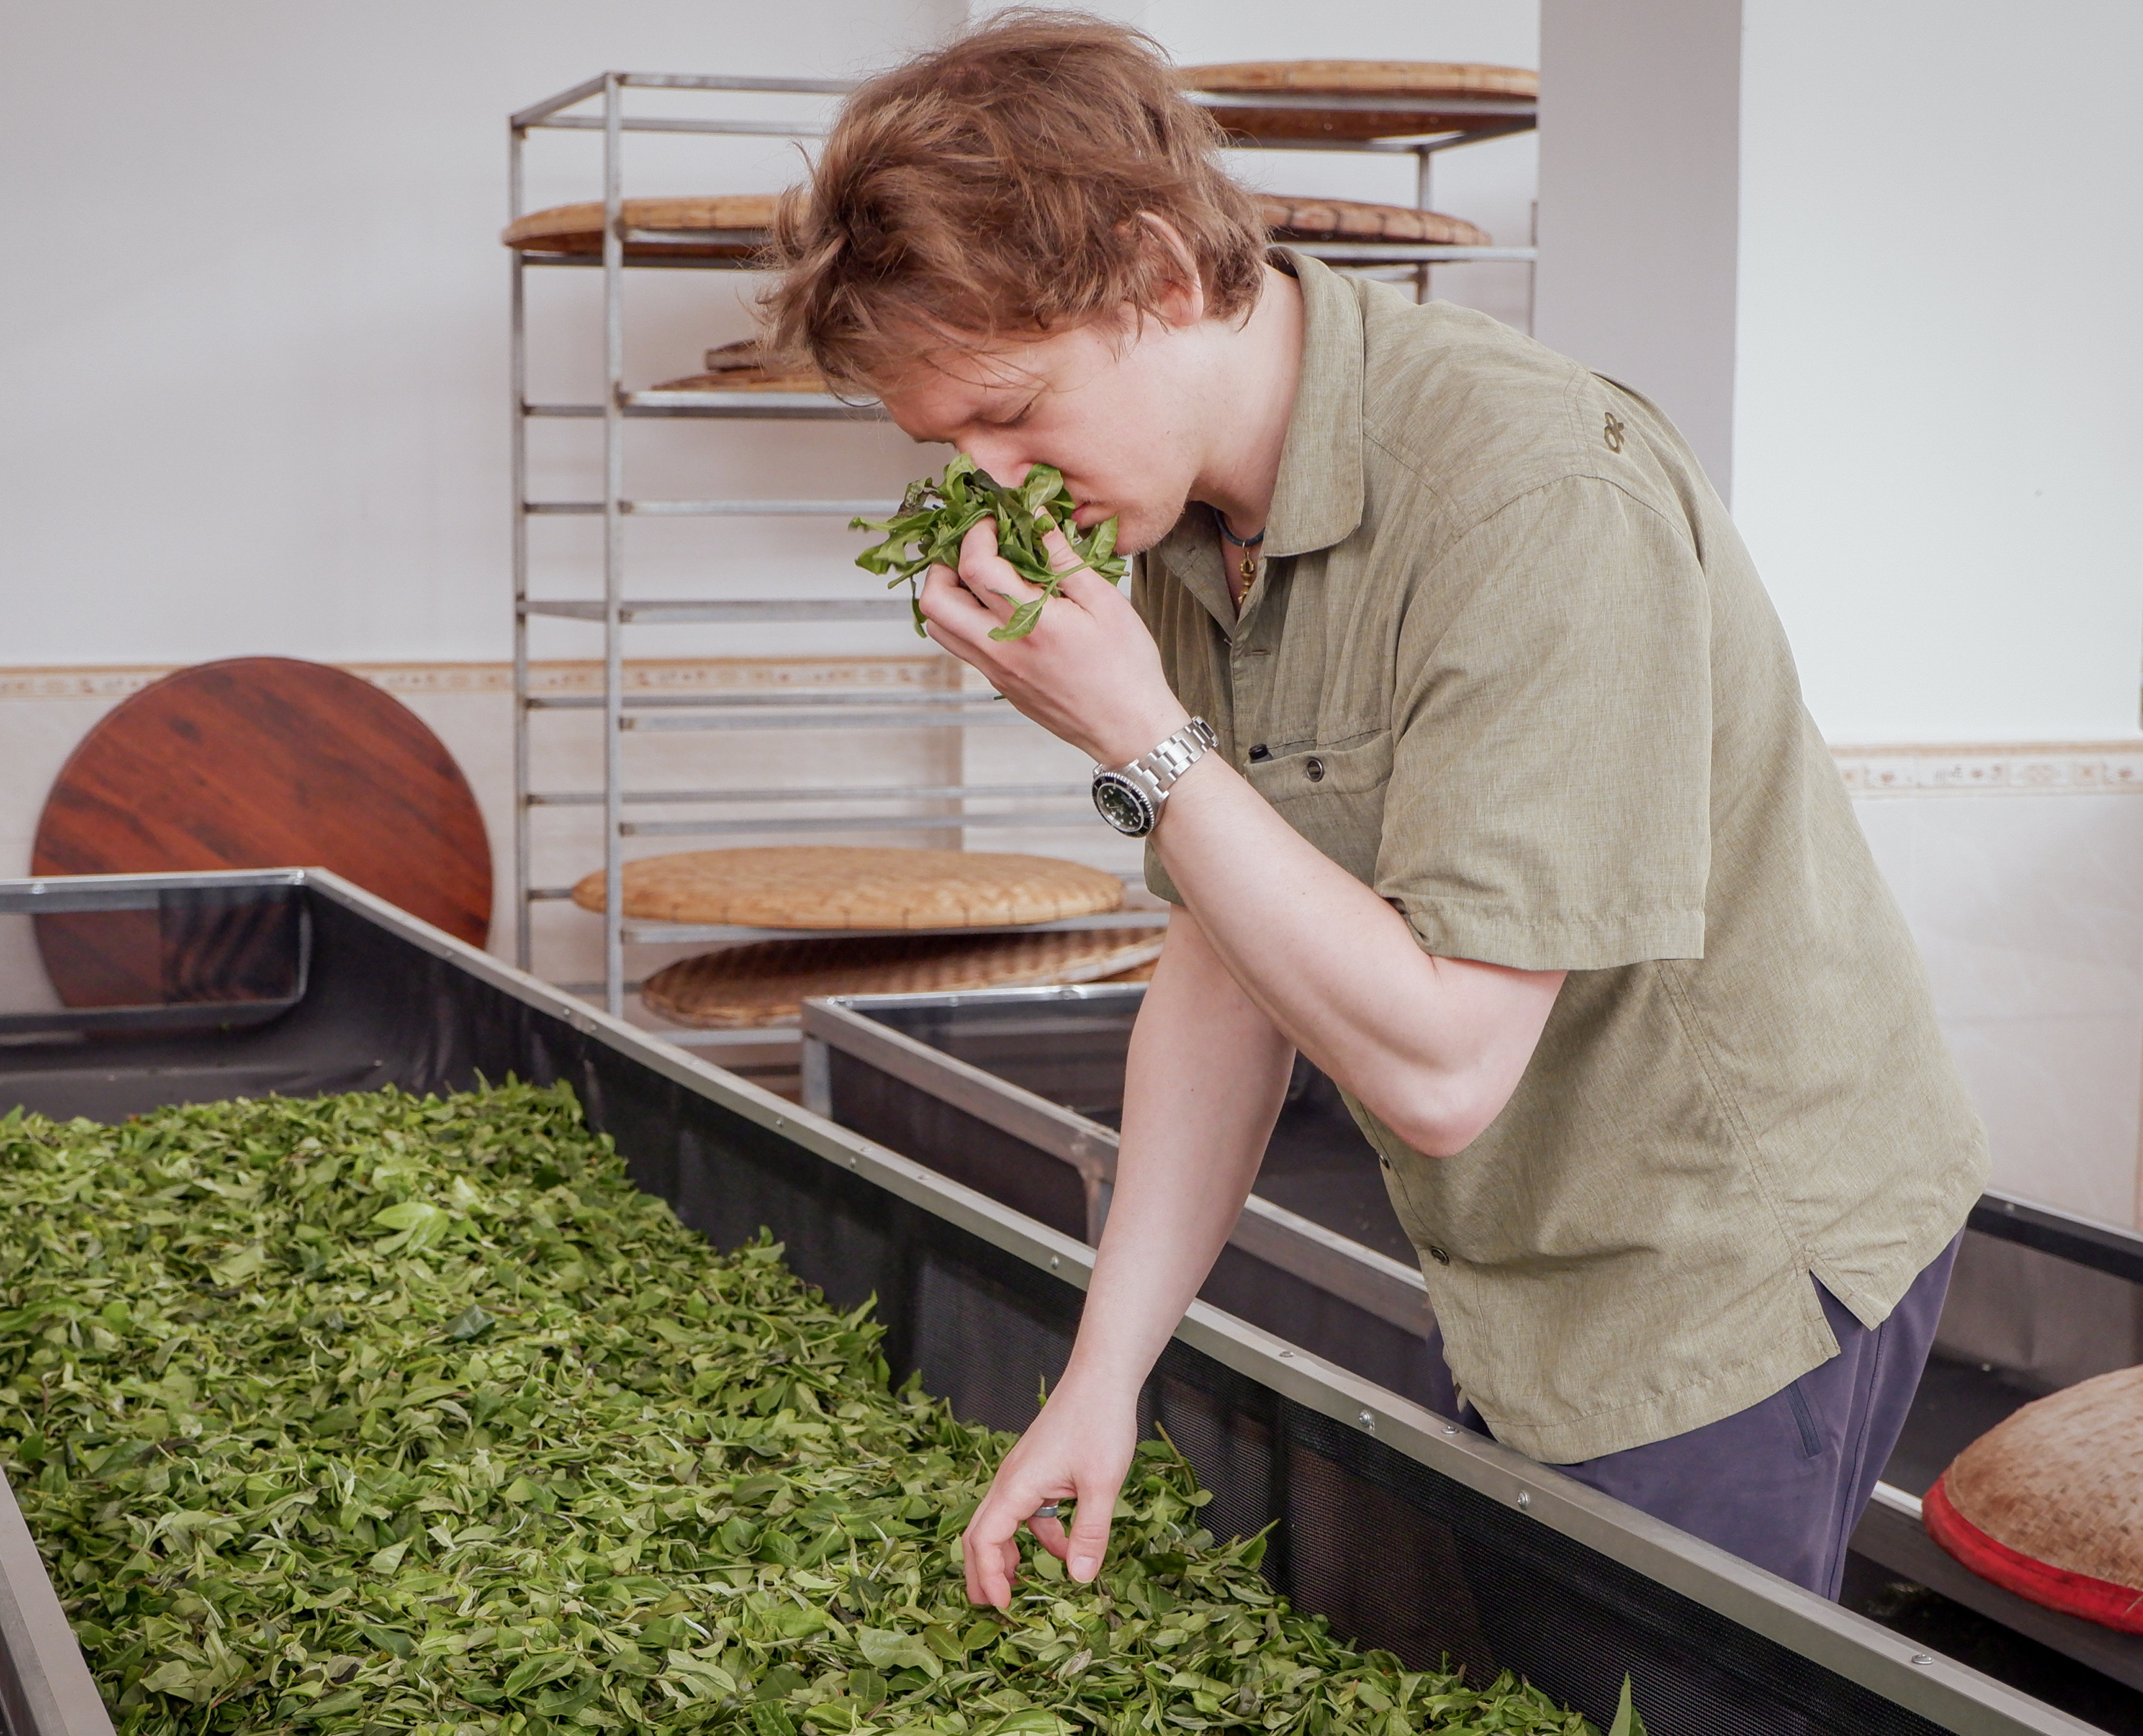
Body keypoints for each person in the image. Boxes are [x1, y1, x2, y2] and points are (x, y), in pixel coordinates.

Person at [760, 11, 1987, 1606]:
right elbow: (1224, 966)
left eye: (1011, 410)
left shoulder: (1534, 496)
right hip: (1517, 1253)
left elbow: (1443, 1068)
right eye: (950, 446)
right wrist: (1103, 1372)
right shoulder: (1191, 518)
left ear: (1154, 276)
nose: (994, 483)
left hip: (1718, 1256)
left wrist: (1134, 729)